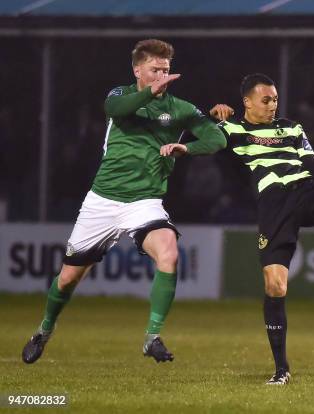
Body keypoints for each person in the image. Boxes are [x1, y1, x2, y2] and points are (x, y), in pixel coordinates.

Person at [163, 73, 314, 385]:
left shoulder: (291, 127)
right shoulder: (235, 129)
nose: (272, 105)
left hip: (308, 190)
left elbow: (313, 164)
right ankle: (281, 369)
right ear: (247, 102)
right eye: (266, 100)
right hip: (275, 204)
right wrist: (209, 120)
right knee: (276, 285)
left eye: (275, 99)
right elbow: (205, 139)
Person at [21, 39, 227, 364]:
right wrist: (150, 92)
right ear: (137, 70)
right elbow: (115, 110)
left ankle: (152, 337)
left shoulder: (180, 109)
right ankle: (44, 330)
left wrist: (186, 148)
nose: (162, 74)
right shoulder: (121, 95)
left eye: (166, 69)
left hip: (144, 202)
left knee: (169, 252)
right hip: (102, 201)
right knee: (68, 278)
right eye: (155, 69)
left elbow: (217, 138)